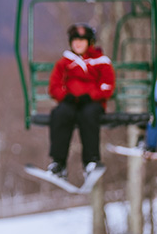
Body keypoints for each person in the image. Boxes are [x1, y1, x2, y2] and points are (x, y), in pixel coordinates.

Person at [46, 23, 115, 179]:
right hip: (71, 102)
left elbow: (107, 86)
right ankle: (58, 162)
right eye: (75, 40)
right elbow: (54, 86)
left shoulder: (101, 61)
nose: (77, 43)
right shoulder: (65, 62)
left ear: (89, 42)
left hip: (91, 103)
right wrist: (65, 96)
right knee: (60, 114)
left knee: (89, 116)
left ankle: (91, 160)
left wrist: (91, 95)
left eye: (82, 40)